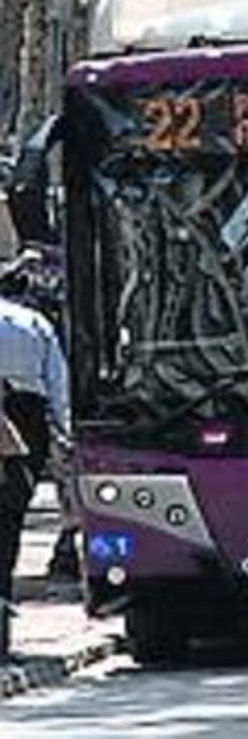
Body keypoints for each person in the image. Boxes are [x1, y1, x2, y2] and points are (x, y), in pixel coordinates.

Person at [0, 271, 71, 661]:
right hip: (24, 423)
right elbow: (57, 386)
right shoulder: (33, 323)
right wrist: (65, 433)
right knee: (8, 528)